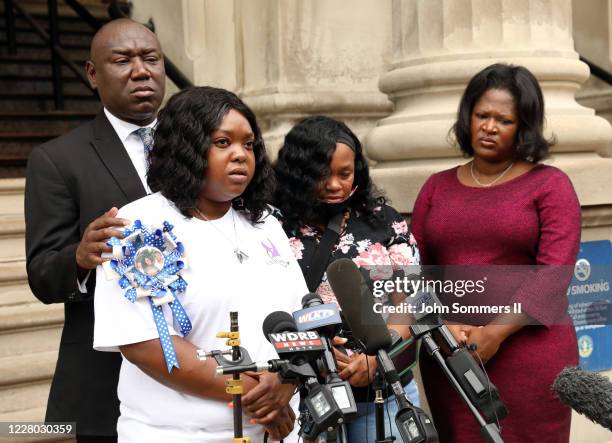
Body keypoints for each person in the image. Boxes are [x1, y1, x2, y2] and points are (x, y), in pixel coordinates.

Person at [93, 86, 307, 442]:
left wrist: (288, 379)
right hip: (180, 433)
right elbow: (146, 344)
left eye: (249, 144)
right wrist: (261, 397)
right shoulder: (139, 227)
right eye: (223, 143)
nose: (241, 155)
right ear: (187, 148)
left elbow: (301, 317)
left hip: (277, 427)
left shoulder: (265, 223)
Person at [410, 63, 581, 442]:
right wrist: (445, 328)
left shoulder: (550, 186)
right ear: (467, 117)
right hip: (452, 356)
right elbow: (414, 270)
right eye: (482, 115)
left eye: (503, 120)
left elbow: (554, 276)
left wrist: (495, 334)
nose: (488, 127)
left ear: (523, 127)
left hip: (531, 357)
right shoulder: (436, 187)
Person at [24, 19, 165, 442]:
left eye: (151, 59)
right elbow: (43, 274)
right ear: (92, 74)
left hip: (200, 367)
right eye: (123, 61)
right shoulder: (58, 160)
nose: (141, 71)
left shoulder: (201, 144)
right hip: (109, 380)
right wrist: (80, 258)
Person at [273, 116, 421, 442]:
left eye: (345, 173)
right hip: (307, 397)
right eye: (322, 174)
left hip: (384, 392)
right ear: (298, 173)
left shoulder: (383, 221)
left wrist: (379, 357)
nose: (336, 185)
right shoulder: (272, 228)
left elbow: (409, 299)